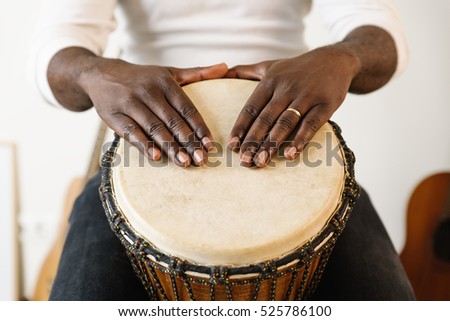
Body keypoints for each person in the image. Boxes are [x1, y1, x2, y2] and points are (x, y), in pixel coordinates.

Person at [28, 0, 414, 300]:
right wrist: (92, 73)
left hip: (291, 137)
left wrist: (342, 58)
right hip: (150, 143)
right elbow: (56, 47)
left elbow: (378, 32)